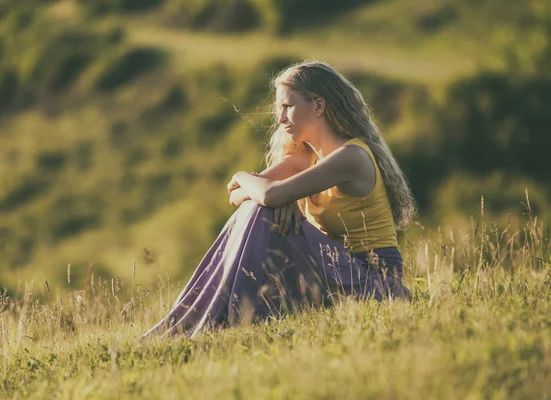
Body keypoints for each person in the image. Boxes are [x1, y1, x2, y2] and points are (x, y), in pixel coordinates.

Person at [140, 60, 416, 339]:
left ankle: (216, 320)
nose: (280, 118)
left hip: (372, 278)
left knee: (263, 209)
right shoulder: (305, 156)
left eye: (287, 107)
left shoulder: (352, 157)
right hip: (335, 268)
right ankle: (195, 320)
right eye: (279, 109)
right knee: (257, 208)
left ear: (318, 106)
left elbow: (268, 193)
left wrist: (249, 180)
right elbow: (236, 195)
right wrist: (267, 194)